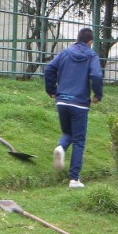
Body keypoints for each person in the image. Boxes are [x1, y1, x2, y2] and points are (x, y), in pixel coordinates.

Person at [43, 27, 103, 188]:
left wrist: (52, 90)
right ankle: (74, 179)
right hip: (80, 103)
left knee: (68, 132)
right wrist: (98, 94)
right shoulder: (92, 55)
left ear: (77, 39)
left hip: (62, 101)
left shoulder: (65, 52)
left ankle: (60, 148)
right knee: (79, 140)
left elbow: (49, 68)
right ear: (90, 42)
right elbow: (96, 75)